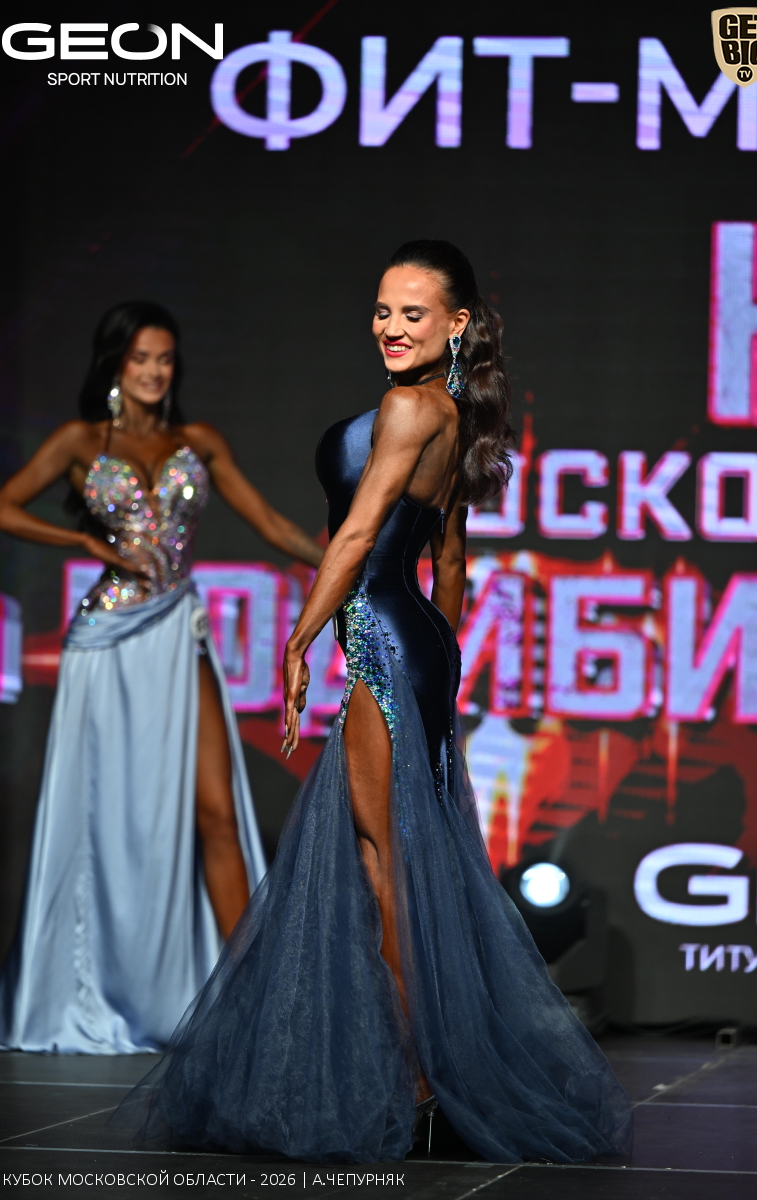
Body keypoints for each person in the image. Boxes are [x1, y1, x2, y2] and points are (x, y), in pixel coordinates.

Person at [114, 245, 632, 1161]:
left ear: (457, 324)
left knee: (385, 869)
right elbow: (450, 562)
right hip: (414, 645)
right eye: (384, 311)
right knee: (390, 863)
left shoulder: (408, 408)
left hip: (384, 648)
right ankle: (425, 1072)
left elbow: (356, 536)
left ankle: (419, 1080)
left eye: (413, 314)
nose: (390, 327)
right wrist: (440, 661)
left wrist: (300, 639)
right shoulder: (455, 413)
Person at [0, 301, 324, 1055]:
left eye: (165, 358)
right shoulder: (80, 441)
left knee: (217, 813)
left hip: (177, 629)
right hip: (106, 641)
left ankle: (254, 999)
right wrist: (84, 542)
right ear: (116, 363)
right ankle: (95, 987)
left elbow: (272, 524)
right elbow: (0, 509)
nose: (153, 371)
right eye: (140, 358)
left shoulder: (196, 442)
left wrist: (345, 563)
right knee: (106, 820)